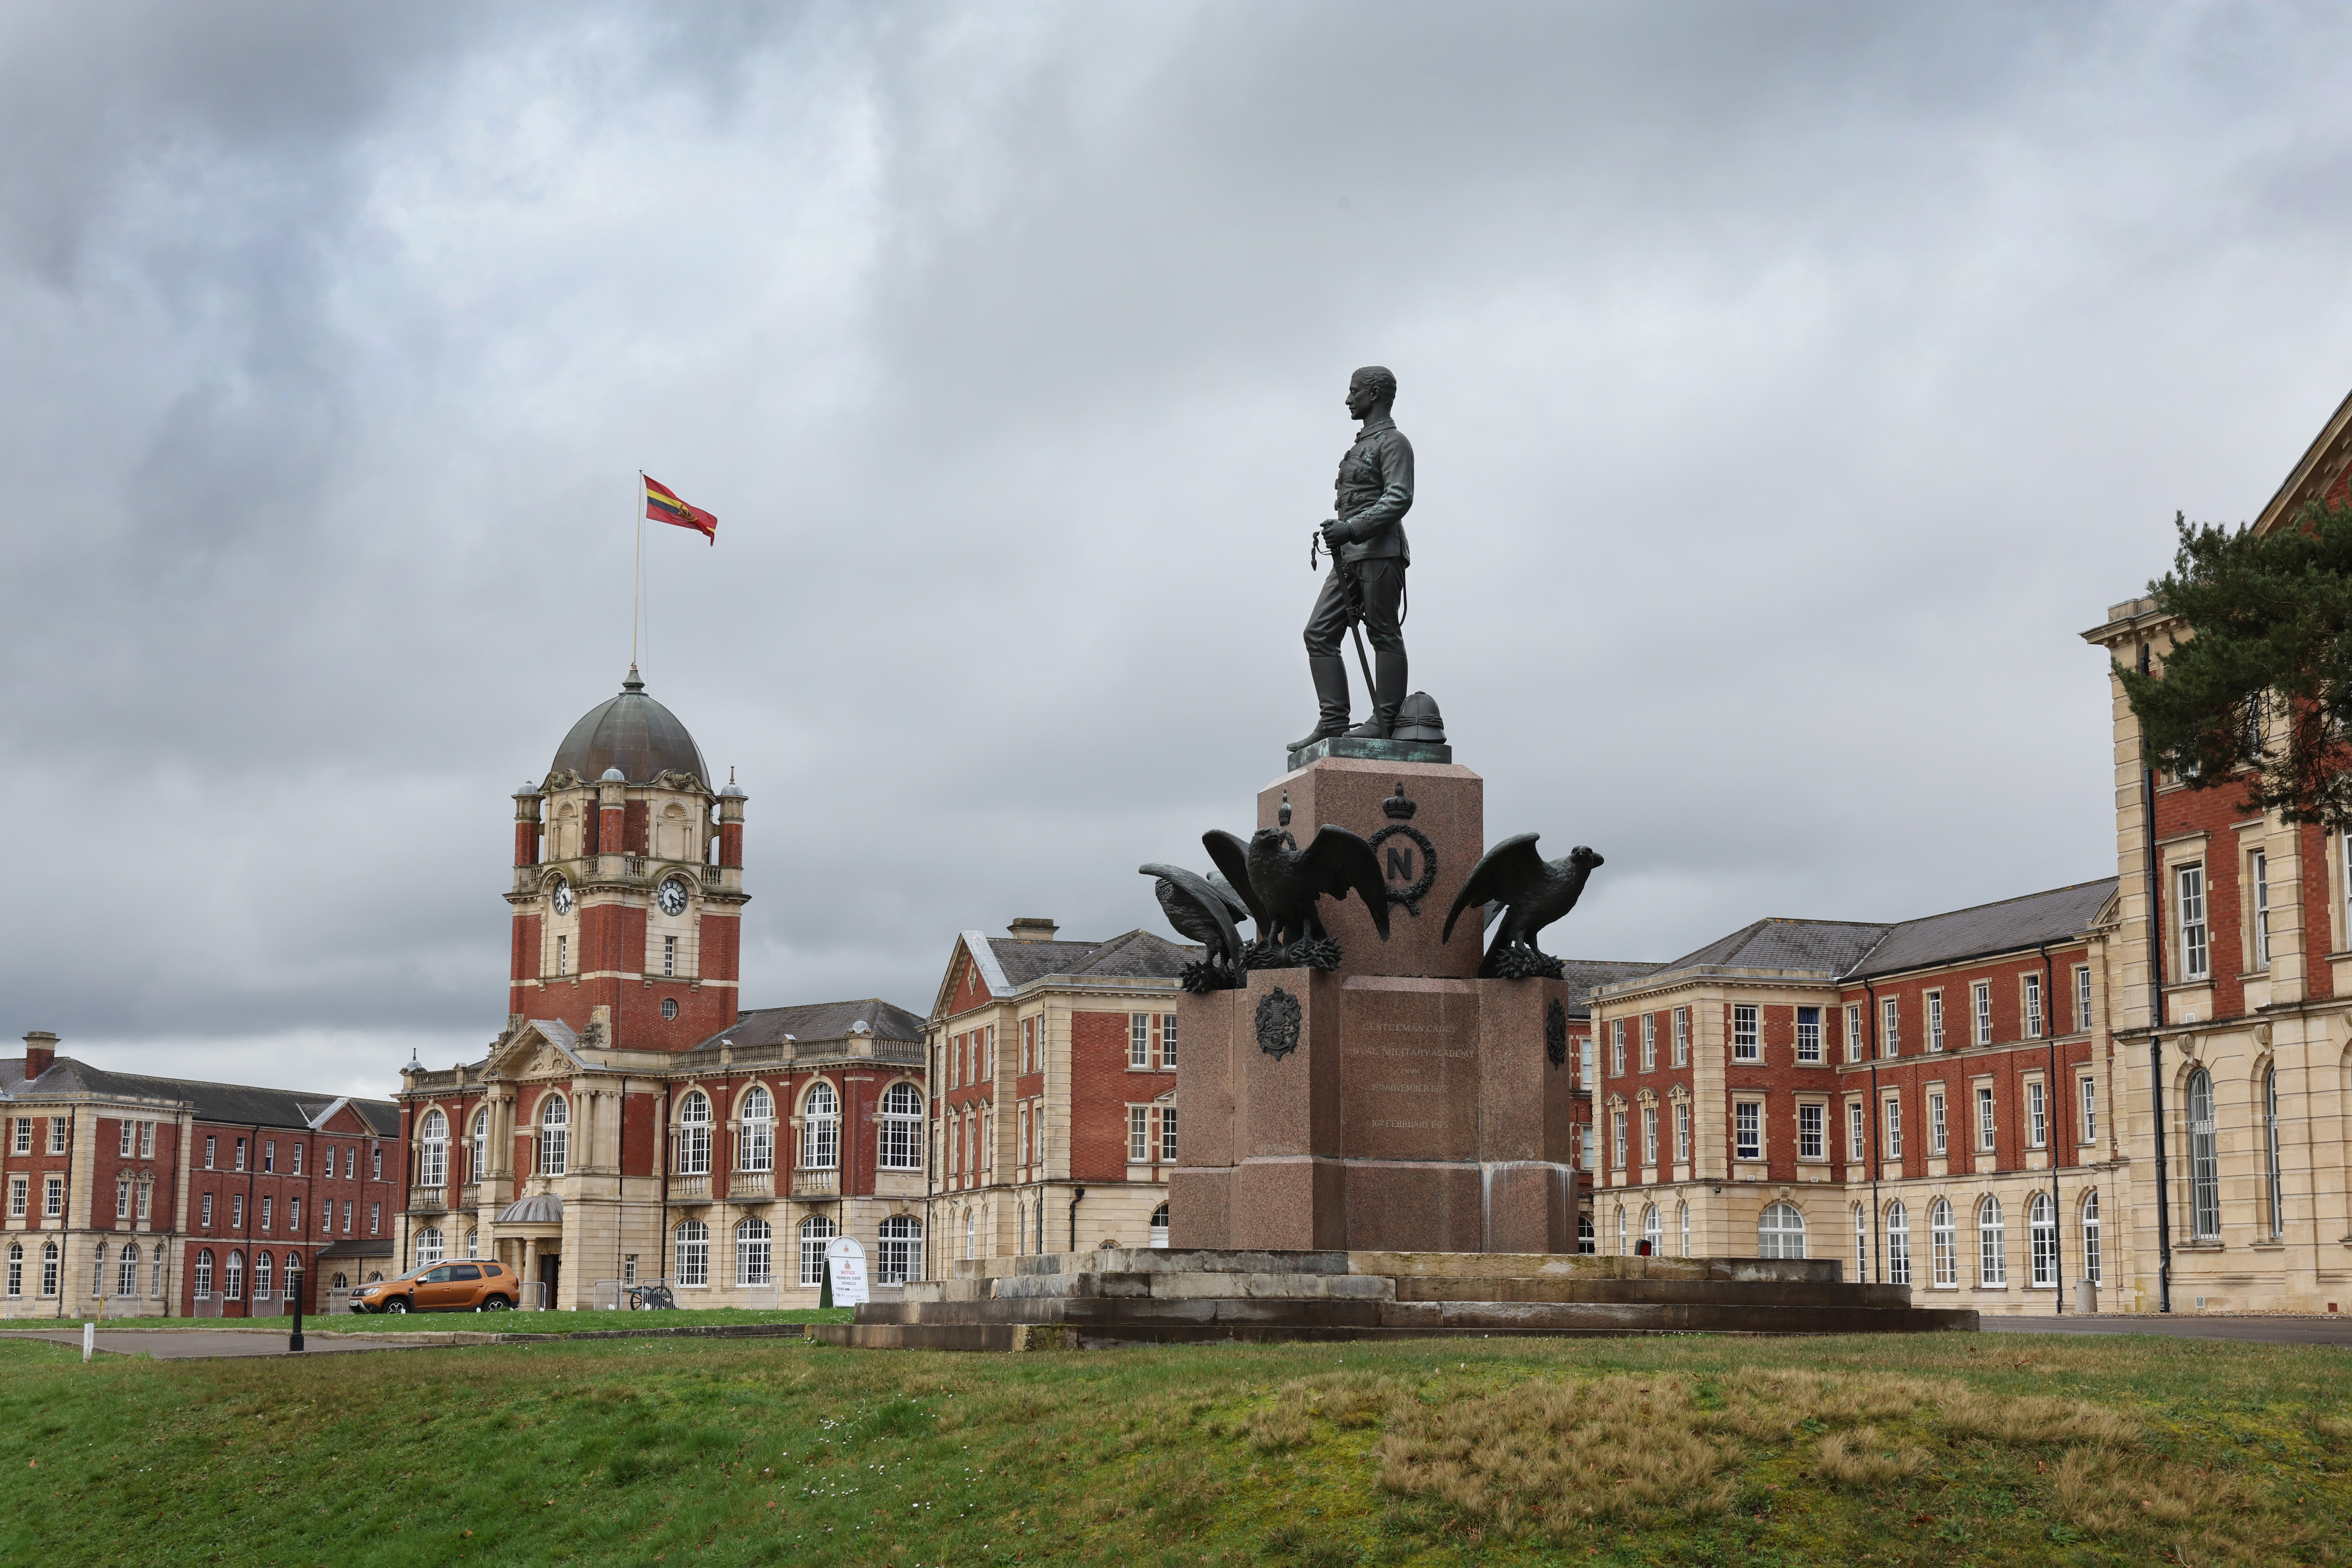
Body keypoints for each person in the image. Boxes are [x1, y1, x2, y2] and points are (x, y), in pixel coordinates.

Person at [1291, 365, 1413, 748]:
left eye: (1353, 391)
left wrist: (1354, 527)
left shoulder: (1394, 442)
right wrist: (1342, 531)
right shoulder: (1362, 444)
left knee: (1383, 633)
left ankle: (1385, 720)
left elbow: (1399, 496)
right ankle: (1333, 721)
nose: (1348, 399)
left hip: (1380, 552)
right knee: (1319, 633)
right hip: (1349, 556)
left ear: (1373, 394)